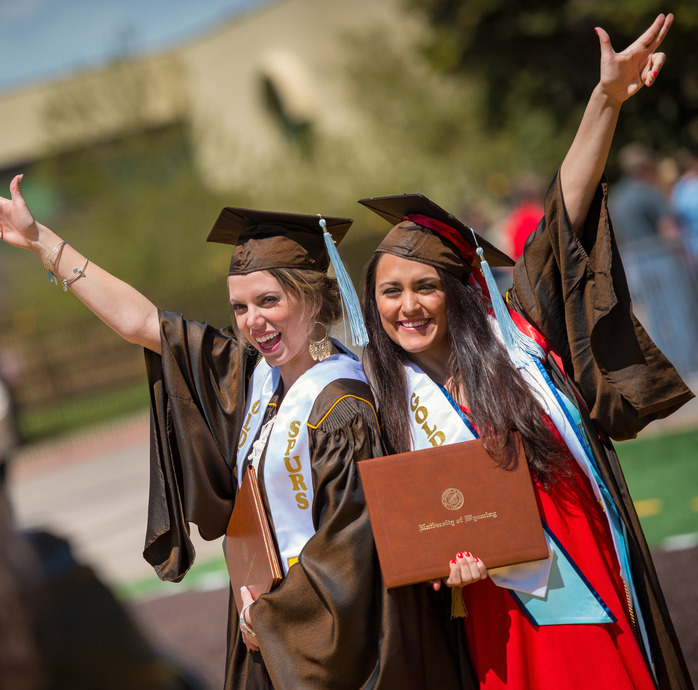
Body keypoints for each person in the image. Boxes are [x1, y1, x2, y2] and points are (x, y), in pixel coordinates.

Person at [0, 190, 473, 688]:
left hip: (325, 642)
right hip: (268, 622)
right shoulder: (253, 376)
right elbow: (143, 324)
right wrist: (39, 240)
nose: (252, 321)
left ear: (313, 299)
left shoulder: (344, 408)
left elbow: (351, 556)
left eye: (269, 300)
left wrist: (269, 619)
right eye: (241, 307)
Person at [360, 14, 693, 690]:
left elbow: (562, 217)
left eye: (426, 286)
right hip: (500, 608)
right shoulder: (378, 395)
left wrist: (606, 99)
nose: (408, 305)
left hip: (588, 577)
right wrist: (440, 571)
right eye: (390, 291)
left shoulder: (522, 339)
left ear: (461, 291)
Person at [609, 142, 698, 376]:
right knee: (678, 307)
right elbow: (667, 229)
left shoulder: (618, 196)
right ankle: (691, 363)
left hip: (637, 260)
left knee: (656, 313)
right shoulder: (648, 191)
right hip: (661, 255)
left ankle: (670, 364)